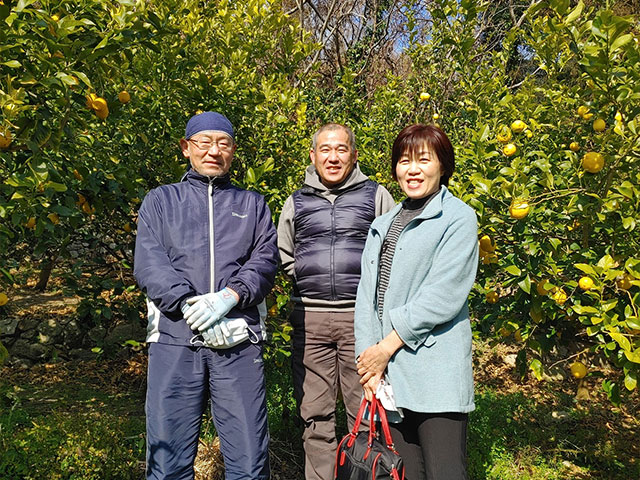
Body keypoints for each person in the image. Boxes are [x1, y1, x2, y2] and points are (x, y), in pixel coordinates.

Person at [134, 111, 278, 480]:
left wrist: (230, 296)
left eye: (223, 143)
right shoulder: (160, 202)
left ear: (232, 151)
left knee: (248, 461)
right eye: (204, 142)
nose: (214, 151)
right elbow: (150, 262)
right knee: (167, 462)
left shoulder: (253, 205)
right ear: (186, 148)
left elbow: (265, 259)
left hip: (238, 344)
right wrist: (185, 303)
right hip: (174, 340)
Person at [354, 124, 478, 480]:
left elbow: (444, 294)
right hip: (388, 374)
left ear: (442, 166)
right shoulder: (382, 223)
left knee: (445, 471)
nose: (413, 169)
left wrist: (386, 346)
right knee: (403, 472)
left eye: (424, 160)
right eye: (404, 161)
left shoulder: (458, 218)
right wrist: (368, 363)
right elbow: (366, 297)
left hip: (434, 370)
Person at [277, 123, 395, 480]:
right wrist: (305, 281)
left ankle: (367, 474)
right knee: (315, 413)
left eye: (341, 149)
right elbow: (285, 252)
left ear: (354, 155)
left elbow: (393, 250)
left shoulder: (376, 195)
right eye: (325, 149)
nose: (333, 156)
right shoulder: (296, 201)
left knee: (365, 411)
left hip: (361, 321)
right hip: (310, 318)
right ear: (313, 156)